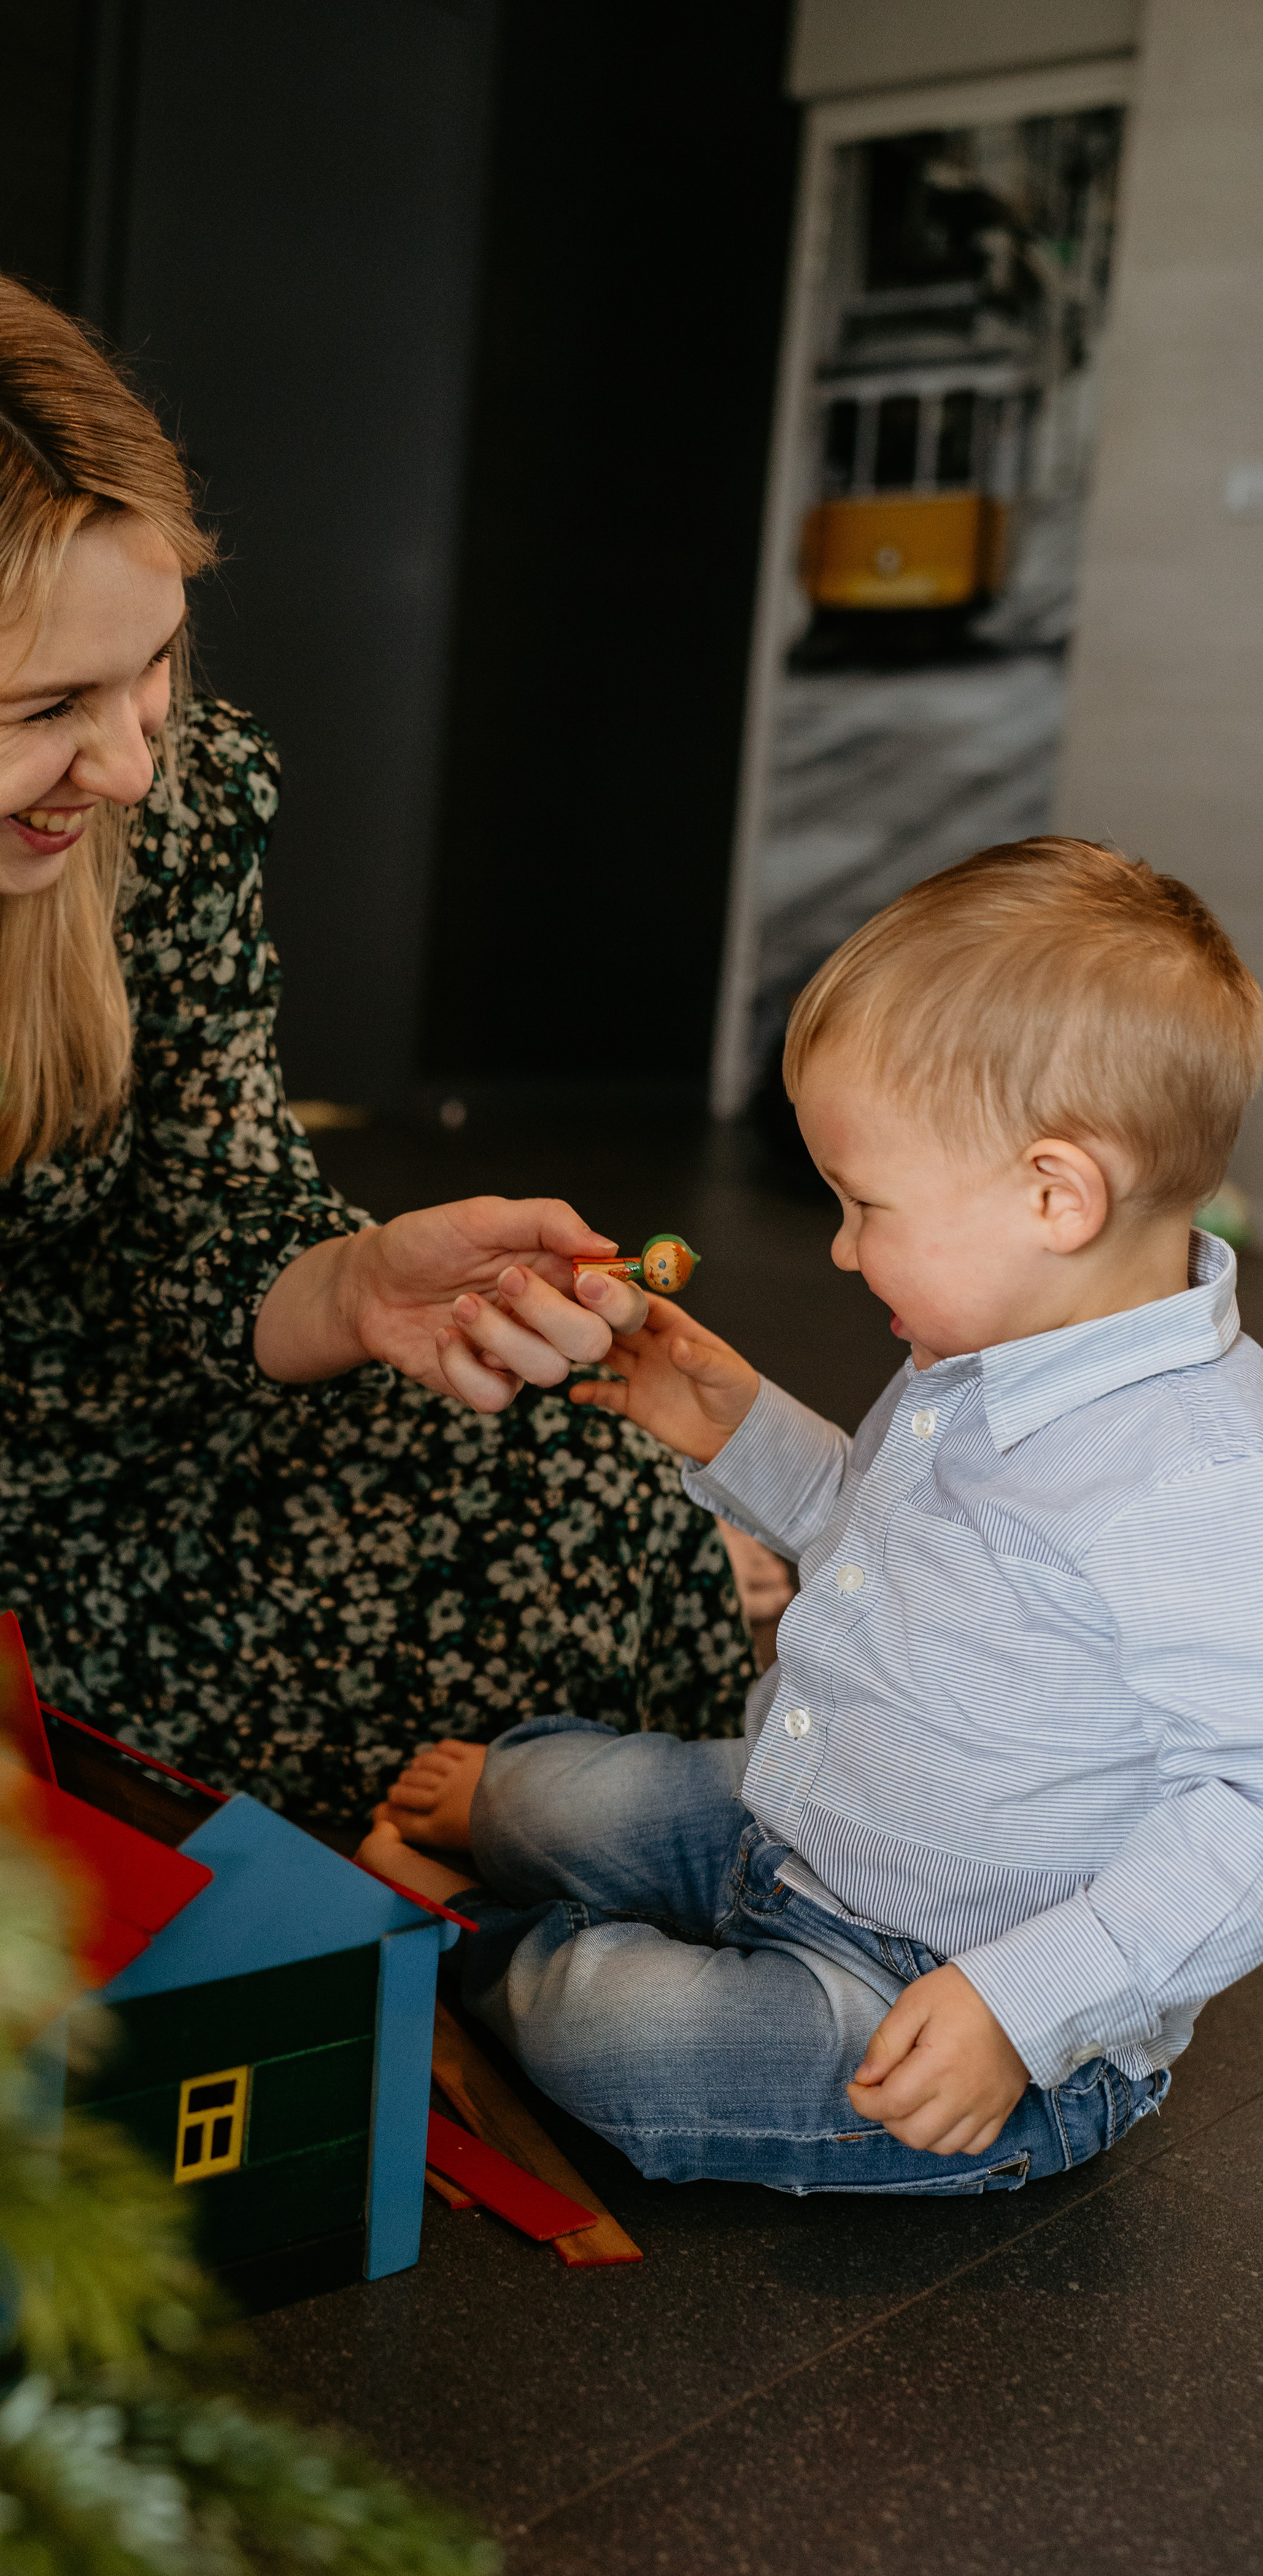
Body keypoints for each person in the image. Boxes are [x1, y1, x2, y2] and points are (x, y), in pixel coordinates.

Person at [0, 262, 752, 1822]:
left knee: (607, 1518)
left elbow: (211, 1211)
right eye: (47, 704)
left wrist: (352, 1286)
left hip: (132, 1447)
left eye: (152, 665)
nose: (126, 764)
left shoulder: (168, 808)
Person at [362, 838, 1263, 2193]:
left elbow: (1249, 1807)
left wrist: (1018, 2007)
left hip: (941, 1997)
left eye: (865, 1205)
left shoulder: (1194, 1480)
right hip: (803, 1814)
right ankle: (531, 1848)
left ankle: (475, 1945)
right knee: (551, 1792)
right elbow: (881, 1539)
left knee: (619, 2036)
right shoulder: (989, 1345)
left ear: (1054, 1196)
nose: (838, 1248)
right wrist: (736, 1426)